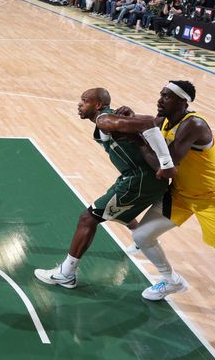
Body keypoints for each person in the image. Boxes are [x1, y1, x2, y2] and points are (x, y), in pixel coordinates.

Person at [34, 87, 177, 289]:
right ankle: (140, 240)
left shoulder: (104, 120)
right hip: (138, 178)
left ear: (98, 104)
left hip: (139, 180)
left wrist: (166, 163)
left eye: (84, 100)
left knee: (88, 218)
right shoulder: (109, 119)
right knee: (117, 209)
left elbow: (148, 123)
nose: (79, 104)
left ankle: (66, 274)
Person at [116, 81, 215, 300]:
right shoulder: (164, 121)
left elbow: (166, 165)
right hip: (181, 195)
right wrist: (129, 116)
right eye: (161, 95)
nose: (160, 100)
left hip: (211, 198)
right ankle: (172, 281)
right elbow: (146, 123)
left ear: (182, 101)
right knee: (141, 236)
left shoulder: (194, 124)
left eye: (166, 97)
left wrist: (139, 141)